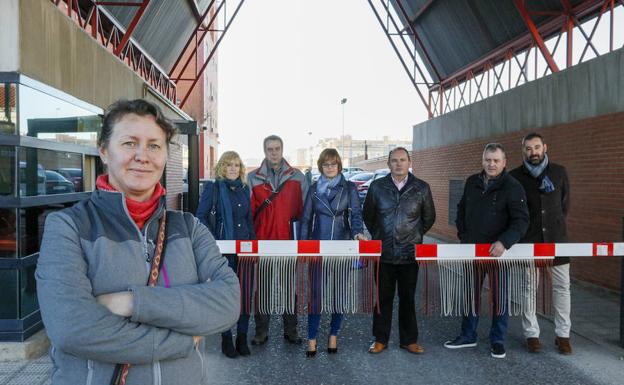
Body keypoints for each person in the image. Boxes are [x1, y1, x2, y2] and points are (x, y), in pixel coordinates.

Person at [36, 99, 240, 385]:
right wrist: (182, 341)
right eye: (130, 143)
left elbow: (228, 302)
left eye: (154, 145)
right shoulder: (68, 226)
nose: (143, 156)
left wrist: (132, 302)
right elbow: (72, 328)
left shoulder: (190, 228)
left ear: (166, 155)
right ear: (104, 151)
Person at [444, 143, 529, 359]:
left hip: (499, 253)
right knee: (470, 294)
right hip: (472, 250)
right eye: (487, 160)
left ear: (504, 162)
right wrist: (463, 235)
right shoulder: (473, 182)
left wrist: (504, 242)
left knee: (500, 297)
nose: (491, 164)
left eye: (496, 160)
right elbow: (461, 209)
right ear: (482, 160)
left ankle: (497, 340)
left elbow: (521, 221)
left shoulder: (513, 187)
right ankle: (467, 335)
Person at [363, 147, 436, 355]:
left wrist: (413, 236)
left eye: (402, 160)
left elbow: (428, 218)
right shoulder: (377, 187)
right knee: (383, 300)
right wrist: (380, 235)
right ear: (388, 164)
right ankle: (380, 339)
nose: (398, 164)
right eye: (394, 160)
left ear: (409, 162)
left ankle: (409, 340)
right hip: (383, 253)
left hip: (409, 254)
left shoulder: (422, 188)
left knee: (407, 299)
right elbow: (368, 215)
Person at [299, 148, 368, 357]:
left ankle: (333, 335)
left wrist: (358, 233)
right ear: (321, 166)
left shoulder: (348, 188)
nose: (330, 167)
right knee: (315, 295)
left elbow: (356, 214)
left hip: (341, 246)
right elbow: (305, 219)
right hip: (317, 248)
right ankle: (312, 338)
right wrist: (302, 245)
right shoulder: (313, 189)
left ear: (339, 165)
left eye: (333, 164)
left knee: (339, 294)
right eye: (326, 164)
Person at [510, 133, 572, 354]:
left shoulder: (559, 172)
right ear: (523, 151)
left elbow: (564, 206)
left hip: (557, 239)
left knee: (562, 287)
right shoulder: (514, 177)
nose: (533, 152)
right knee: (528, 290)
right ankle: (531, 334)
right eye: (528, 148)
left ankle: (563, 335)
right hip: (529, 239)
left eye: (536, 147)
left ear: (545, 147)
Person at [247, 135, 308, 345]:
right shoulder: (252, 178)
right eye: (270, 149)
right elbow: (248, 213)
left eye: (277, 148)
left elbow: (306, 213)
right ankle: (261, 332)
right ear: (264, 151)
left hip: (288, 243)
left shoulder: (298, 177)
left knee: (289, 290)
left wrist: (303, 240)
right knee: (262, 290)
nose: (274, 152)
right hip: (262, 242)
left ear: (283, 150)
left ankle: (291, 331)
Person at [197, 151, 256, 358]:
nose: (233, 168)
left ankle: (241, 337)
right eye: (229, 164)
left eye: (236, 165)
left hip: (245, 250)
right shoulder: (213, 189)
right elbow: (201, 217)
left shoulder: (245, 190)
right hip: (223, 252)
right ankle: (226, 338)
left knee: (245, 293)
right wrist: (216, 243)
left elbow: (249, 220)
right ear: (222, 167)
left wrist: (253, 245)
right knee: (226, 294)